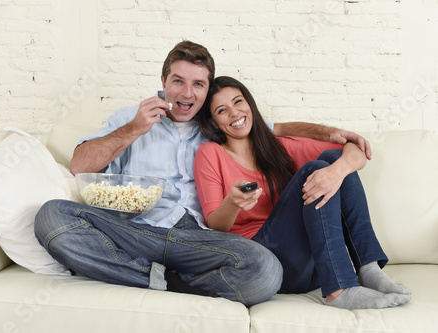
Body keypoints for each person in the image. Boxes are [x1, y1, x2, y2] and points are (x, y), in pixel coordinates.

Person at [35, 40, 373, 307]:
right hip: (134, 229)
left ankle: (166, 280)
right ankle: (159, 279)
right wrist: (134, 129)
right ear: (163, 81)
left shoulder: (216, 123)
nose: (187, 93)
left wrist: (329, 133)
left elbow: (276, 128)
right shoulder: (131, 117)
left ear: (207, 89)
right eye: (178, 81)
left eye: (198, 84)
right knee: (51, 217)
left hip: (198, 239)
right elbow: (80, 165)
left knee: (266, 271)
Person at [193, 76, 412, 310]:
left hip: (314, 267)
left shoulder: (276, 147)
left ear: (250, 104)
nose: (235, 113)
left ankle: (368, 268)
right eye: (222, 110)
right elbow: (216, 225)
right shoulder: (210, 153)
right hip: (267, 264)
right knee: (315, 169)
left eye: (238, 102)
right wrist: (233, 203)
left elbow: (353, 151)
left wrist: (337, 172)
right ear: (214, 122)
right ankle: (339, 291)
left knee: (332, 161)